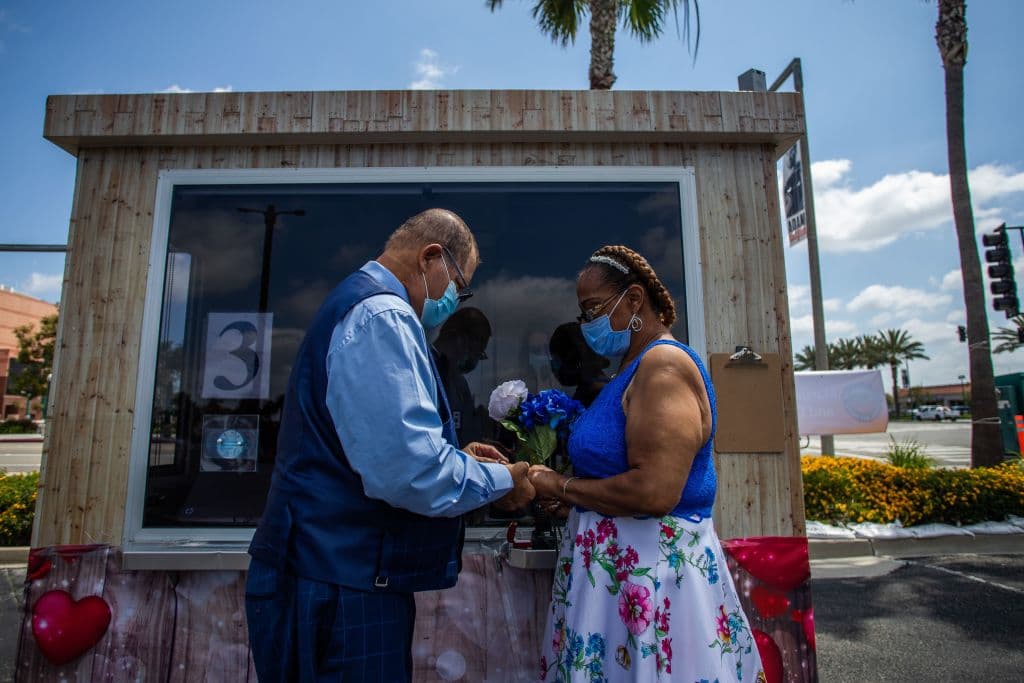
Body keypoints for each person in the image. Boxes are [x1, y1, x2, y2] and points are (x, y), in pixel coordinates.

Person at [246, 208, 535, 682]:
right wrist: (506, 480)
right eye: (460, 287)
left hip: (329, 574)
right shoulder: (383, 315)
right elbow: (411, 473)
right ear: (431, 258)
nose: (454, 301)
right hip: (338, 585)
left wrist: (458, 459)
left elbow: (373, 451)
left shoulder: (360, 304)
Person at [529, 245, 765, 682]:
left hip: (653, 584)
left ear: (634, 300)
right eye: (584, 315)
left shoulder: (663, 366)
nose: (588, 325)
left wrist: (559, 486)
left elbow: (654, 492)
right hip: (619, 581)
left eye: (594, 309)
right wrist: (580, 505)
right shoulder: (632, 368)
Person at [431, 306, 492, 445]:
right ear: (459, 339)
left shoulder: (460, 385)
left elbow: (467, 436)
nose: (475, 359)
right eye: (477, 351)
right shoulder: (424, 371)